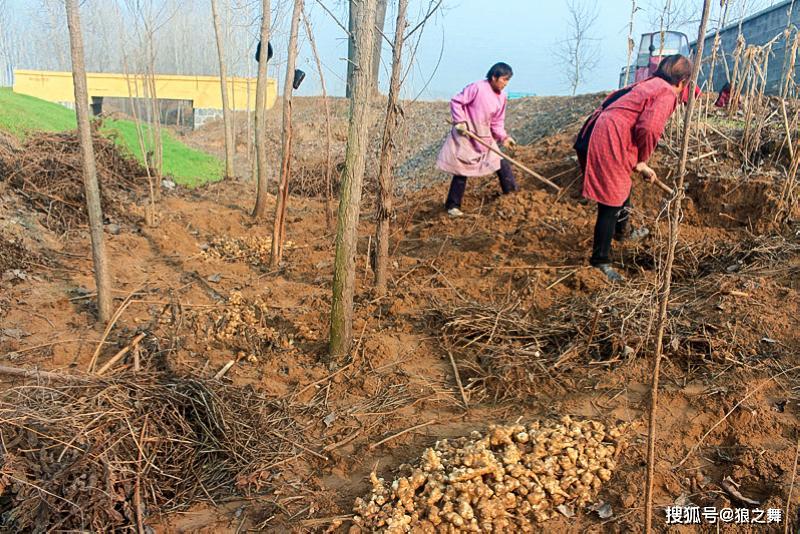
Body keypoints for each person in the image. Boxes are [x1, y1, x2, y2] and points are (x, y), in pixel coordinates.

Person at [576, 54, 692, 282]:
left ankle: (622, 232)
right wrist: (642, 159)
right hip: (608, 137)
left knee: (621, 187)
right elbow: (649, 129)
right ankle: (600, 261)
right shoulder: (667, 92)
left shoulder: (649, 83)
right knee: (610, 202)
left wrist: (639, 161)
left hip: (598, 131)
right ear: (682, 82)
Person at [437, 63, 518, 217]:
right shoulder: (477, 87)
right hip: (467, 135)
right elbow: (456, 101)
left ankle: (513, 196)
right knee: (462, 170)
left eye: (508, 80)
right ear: (494, 77)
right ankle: (452, 206)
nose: (506, 83)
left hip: (485, 137)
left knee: (501, 163)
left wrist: (504, 137)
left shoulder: (502, 97)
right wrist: (460, 121)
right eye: (504, 80)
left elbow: (497, 122)